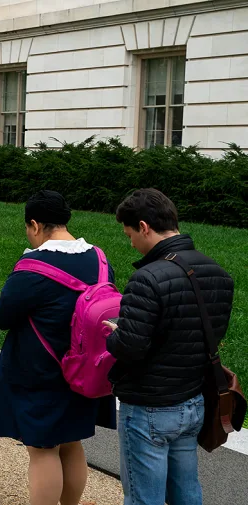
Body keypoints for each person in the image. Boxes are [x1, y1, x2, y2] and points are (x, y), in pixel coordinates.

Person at [105, 189, 234, 505]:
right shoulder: (219, 274)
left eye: (130, 234)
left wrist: (114, 334)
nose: (131, 242)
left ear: (145, 227)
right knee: (187, 493)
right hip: (193, 403)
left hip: (149, 406)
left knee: (142, 499)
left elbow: (129, 348)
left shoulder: (146, 279)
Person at [0, 190, 116, 505]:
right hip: (86, 367)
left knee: (43, 449)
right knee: (72, 442)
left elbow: (3, 315)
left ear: (34, 224)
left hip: (42, 371)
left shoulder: (33, 266)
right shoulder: (99, 259)